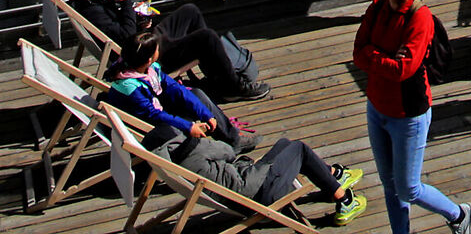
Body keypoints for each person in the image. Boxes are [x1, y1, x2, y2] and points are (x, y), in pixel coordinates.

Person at [103, 38, 367, 221]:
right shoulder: (195, 149)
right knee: (297, 147)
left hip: (243, 182)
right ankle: (343, 198)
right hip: (256, 192)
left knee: (286, 144)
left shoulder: (173, 156)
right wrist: (194, 127)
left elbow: (173, 92)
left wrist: (202, 114)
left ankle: (331, 175)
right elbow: (227, 152)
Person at [350, 0, 471, 234]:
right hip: (376, 107)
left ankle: (458, 215)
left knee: (409, 189)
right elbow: (357, 53)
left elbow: (404, 70)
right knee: (389, 186)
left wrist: (373, 55)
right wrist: (381, 58)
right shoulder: (376, 7)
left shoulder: (420, 17)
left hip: (408, 115)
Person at [66, 0, 267, 101]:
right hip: (145, 58)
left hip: (142, 43)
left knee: (190, 11)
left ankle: (218, 77)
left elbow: (120, 32)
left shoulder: (90, 1)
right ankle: (232, 87)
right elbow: (125, 38)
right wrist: (127, 6)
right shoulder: (93, 11)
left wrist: (138, 21)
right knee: (206, 38)